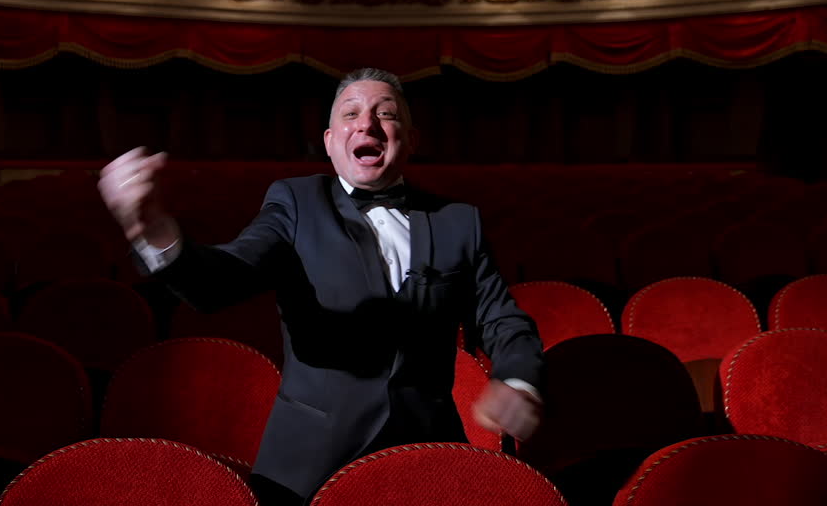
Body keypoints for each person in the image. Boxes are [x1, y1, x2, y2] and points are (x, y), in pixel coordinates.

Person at [98, 67, 544, 505]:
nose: (366, 123)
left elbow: (503, 319)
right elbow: (220, 281)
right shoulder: (295, 202)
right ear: (330, 143)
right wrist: (152, 228)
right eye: (349, 114)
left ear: (411, 138)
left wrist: (517, 381)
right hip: (310, 461)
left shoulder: (459, 220)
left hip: (425, 452)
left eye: (385, 113)